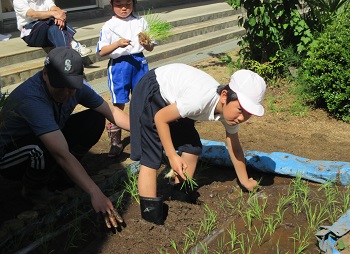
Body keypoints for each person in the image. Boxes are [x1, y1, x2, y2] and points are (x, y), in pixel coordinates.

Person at [0, 47, 129, 229]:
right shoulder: (31, 99)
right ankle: (33, 189)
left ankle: (61, 177)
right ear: (45, 75)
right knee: (43, 147)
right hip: (11, 157)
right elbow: (61, 154)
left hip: (47, 139)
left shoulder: (76, 89)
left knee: (94, 119)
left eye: (71, 86)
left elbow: (111, 111)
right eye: (60, 85)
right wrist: (95, 192)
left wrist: (146, 130)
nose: (66, 92)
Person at [129, 63, 266, 225]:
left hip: (176, 99)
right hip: (154, 90)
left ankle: (179, 194)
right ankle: (151, 219)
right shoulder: (198, 100)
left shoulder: (231, 114)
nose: (242, 118)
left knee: (192, 147)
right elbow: (160, 118)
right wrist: (172, 156)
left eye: (248, 113)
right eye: (240, 110)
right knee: (152, 157)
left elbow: (234, 147)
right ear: (224, 96)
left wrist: (245, 181)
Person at [96, 0, 155, 158]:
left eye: (128, 4)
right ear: (111, 4)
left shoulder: (140, 22)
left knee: (142, 100)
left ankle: (144, 135)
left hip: (139, 63)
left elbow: (150, 46)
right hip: (119, 66)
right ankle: (115, 141)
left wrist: (147, 43)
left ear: (134, 3)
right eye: (119, 4)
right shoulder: (109, 25)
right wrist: (116, 44)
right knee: (118, 103)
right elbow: (101, 51)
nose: (124, 8)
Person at [13, 0, 92, 57]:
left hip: (46, 29)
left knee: (54, 28)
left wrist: (59, 15)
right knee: (51, 20)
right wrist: (55, 15)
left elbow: (54, 8)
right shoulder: (18, 1)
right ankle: (73, 43)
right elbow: (33, 14)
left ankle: (67, 57)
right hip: (30, 34)